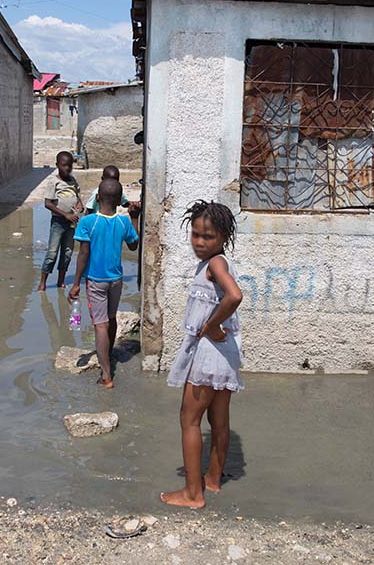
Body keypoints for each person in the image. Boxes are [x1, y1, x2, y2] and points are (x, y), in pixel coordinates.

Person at [161, 201, 243, 509]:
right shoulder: (219, 261)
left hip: (209, 354)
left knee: (189, 418)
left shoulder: (215, 265)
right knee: (219, 419)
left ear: (223, 236)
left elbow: (235, 296)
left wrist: (209, 325)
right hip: (226, 353)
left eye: (207, 236)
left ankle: (193, 494)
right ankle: (212, 479)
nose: (199, 242)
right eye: (195, 235)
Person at [67, 178, 141, 388]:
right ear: (119, 201)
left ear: (98, 198)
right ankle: (108, 354)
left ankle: (106, 375)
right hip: (116, 280)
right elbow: (134, 245)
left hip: (96, 282)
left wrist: (76, 284)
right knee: (111, 318)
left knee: (100, 326)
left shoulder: (88, 222)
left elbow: (83, 254)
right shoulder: (123, 222)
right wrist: (134, 218)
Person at [38, 151, 82, 291]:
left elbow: (78, 197)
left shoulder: (73, 181)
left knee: (67, 252)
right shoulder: (54, 182)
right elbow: (48, 203)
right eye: (64, 165)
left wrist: (79, 205)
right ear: (57, 165)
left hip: (71, 223)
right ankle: (43, 282)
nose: (67, 168)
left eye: (70, 166)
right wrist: (65, 214)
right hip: (58, 222)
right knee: (52, 252)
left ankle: (61, 281)